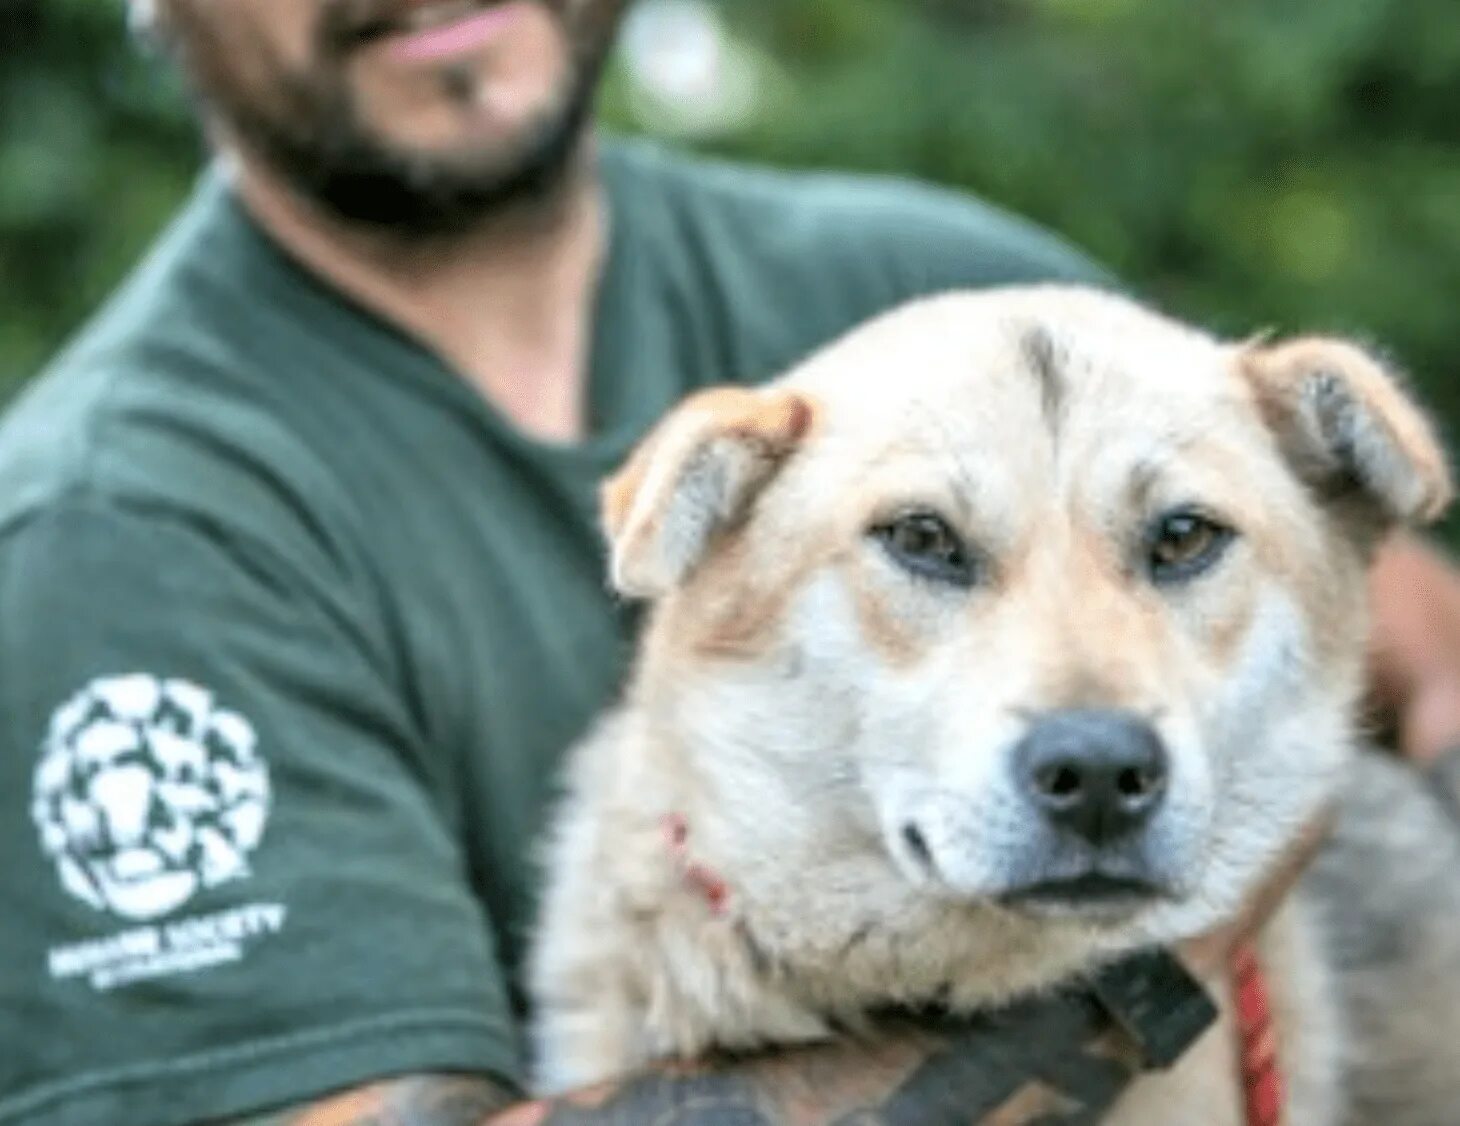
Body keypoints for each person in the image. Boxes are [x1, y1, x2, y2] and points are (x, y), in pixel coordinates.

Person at [2, 2, 1458, 1124]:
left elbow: (1407, 635)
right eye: (929, 542)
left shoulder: (920, 282)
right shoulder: (117, 523)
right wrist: (1146, 977)